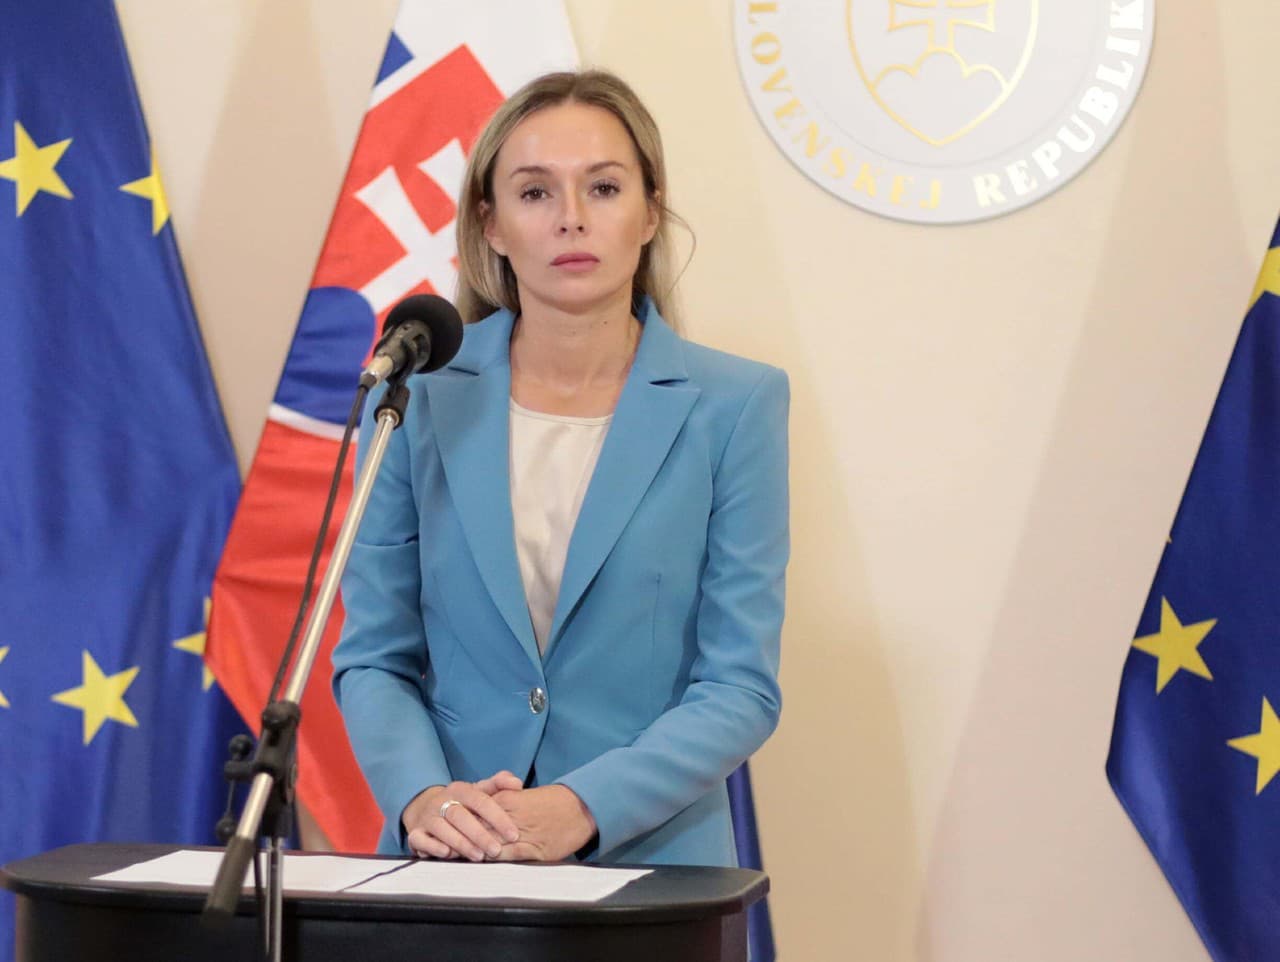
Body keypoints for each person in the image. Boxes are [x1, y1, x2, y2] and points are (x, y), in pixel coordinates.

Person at [332, 69, 789, 867]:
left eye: (604, 188)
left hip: (653, 866)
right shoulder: (415, 397)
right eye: (535, 192)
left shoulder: (737, 405)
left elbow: (739, 686)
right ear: (492, 225)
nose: (571, 217)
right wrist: (426, 797)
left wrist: (583, 807)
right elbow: (373, 657)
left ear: (650, 212)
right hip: (452, 857)